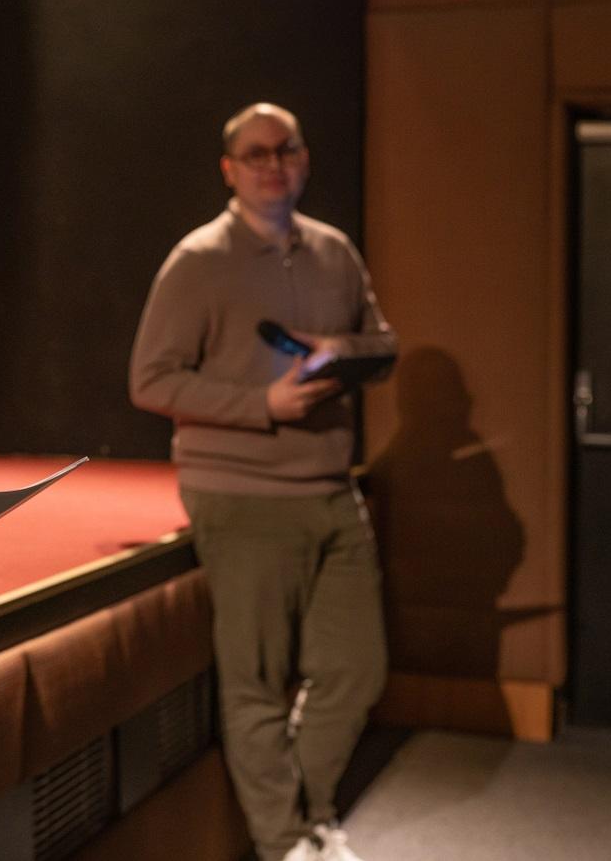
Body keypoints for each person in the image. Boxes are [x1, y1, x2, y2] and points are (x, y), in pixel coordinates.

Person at [129, 103, 395, 861]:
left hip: (331, 487)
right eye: (256, 153)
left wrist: (339, 348)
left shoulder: (335, 252)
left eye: (286, 149)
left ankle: (306, 813)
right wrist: (262, 404)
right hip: (239, 493)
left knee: (357, 669)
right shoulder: (198, 260)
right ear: (230, 170)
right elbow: (149, 380)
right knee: (255, 682)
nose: (273, 162)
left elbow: (384, 345)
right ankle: (288, 844)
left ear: (304, 160)